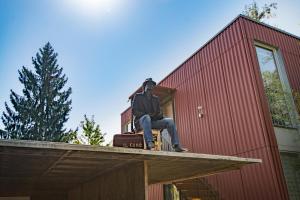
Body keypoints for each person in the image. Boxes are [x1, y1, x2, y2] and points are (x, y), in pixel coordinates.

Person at [132, 78, 188, 152]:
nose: (150, 86)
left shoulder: (156, 99)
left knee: (170, 121)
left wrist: (157, 115)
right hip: (141, 122)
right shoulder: (138, 96)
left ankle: (176, 145)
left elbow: (160, 112)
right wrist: (147, 115)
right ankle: (150, 142)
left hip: (154, 122)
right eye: (148, 84)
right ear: (144, 86)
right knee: (146, 117)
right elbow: (134, 111)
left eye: (152, 85)